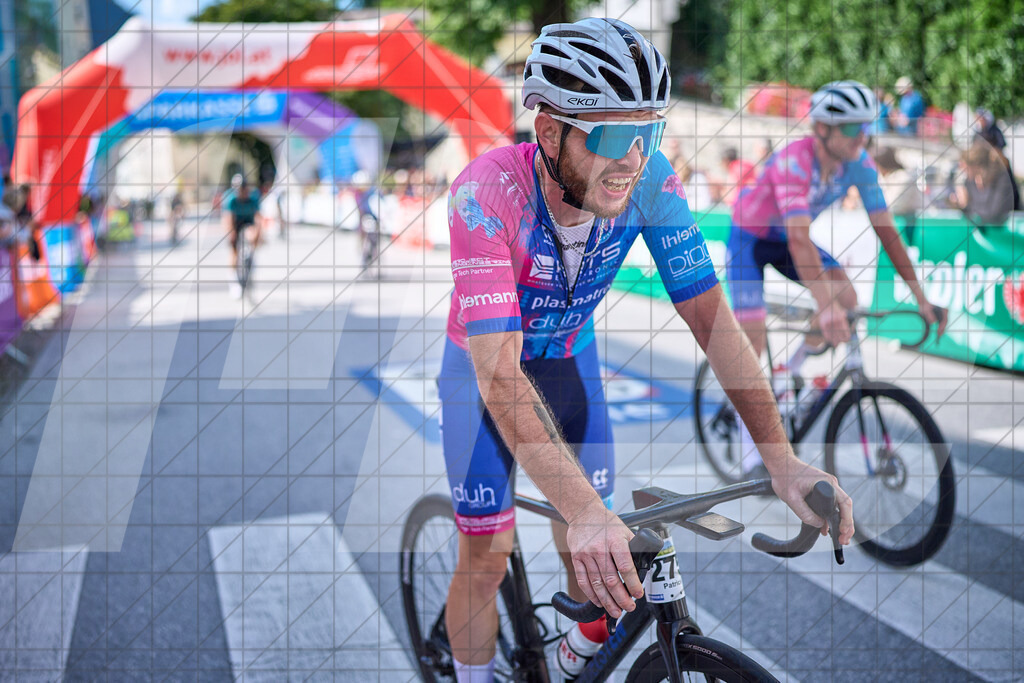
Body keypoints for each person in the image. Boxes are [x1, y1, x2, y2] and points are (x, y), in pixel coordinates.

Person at [441, 19, 855, 682]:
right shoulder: (485, 195)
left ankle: (573, 657)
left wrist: (780, 459)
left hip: (571, 364)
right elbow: (497, 373)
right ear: (549, 133)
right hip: (487, 376)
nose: (633, 156)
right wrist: (580, 511)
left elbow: (713, 322)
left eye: (648, 132)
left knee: (601, 560)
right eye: (611, 134)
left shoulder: (650, 183)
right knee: (488, 552)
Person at [728, 80, 946, 479]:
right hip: (751, 239)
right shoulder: (795, 161)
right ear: (823, 129)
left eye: (865, 126)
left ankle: (790, 371)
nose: (862, 136)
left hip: (790, 239)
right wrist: (822, 307)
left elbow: (887, 232)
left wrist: (921, 297)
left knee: (846, 297)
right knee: (753, 341)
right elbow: (797, 237)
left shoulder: (859, 164)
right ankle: (749, 451)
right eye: (851, 128)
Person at [950, 142, 1020, 230]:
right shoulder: (970, 183)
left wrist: (967, 205)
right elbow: (976, 213)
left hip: (1010, 235)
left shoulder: (1002, 180)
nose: (962, 169)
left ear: (976, 165)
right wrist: (960, 204)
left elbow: (993, 215)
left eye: (965, 166)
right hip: (987, 235)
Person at [221, 174, 263, 297]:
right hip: (235, 221)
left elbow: (258, 218)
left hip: (248, 220)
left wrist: (258, 235)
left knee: (253, 235)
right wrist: (231, 235)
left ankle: (251, 258)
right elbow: (228, 219)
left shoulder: (254, 197)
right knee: (233, 249)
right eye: (238, 190)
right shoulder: (230, 199)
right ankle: (233, 281)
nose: (241, 193)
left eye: (243, 189)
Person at [874, 146, 925, 244]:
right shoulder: (884, 178)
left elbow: (892, 205)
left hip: (914, 228)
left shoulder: (903, 178)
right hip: (901, 226)